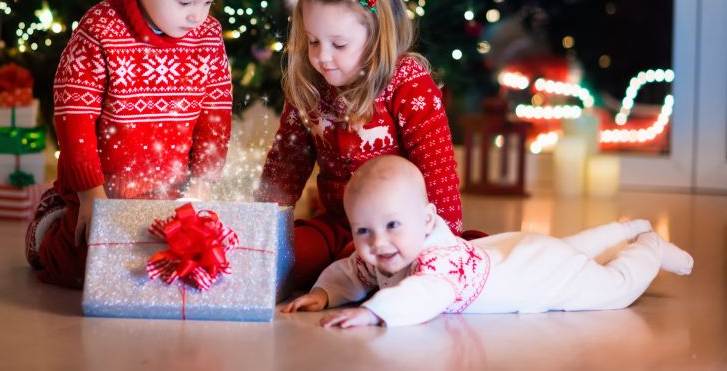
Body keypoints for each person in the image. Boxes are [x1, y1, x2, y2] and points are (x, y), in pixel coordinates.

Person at [24, 0, 237, 288]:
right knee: (87, 270)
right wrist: (89, 194)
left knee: (190, 266)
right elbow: (74, 117)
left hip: (172, 195)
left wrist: (203, 185)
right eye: (186, 1)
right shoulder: (100, 30)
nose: (198, 15)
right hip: (102, 191)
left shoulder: (207, 36)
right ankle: (49, 224)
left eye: (209, 1)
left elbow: (216, 115)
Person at [283, 156, 694, 328]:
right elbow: (351, 269)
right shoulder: (382, 253)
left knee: (613, 288)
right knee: (572, 247)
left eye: (392, 224)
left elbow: (421, 297)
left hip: (538, 276)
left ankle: (648, 246)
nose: (378, 243)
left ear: (427, 220)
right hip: (521, 252)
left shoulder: (437, 263)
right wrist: (325, 292)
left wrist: (373, 314)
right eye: (363, 230)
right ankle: (623, 229)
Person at [255, 0, 464, 290]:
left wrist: (443, 247)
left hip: (393, 232)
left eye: (338, 44)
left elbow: (437, 171)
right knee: (280, 261)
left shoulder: (407, 84)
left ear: (376, 37)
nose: (322, 56)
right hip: (336, 227)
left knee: (455, 258)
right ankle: (346, 274)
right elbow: (286, 163)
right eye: (313, 41)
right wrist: (260, 230)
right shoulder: (309, 85)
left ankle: (362, 275)